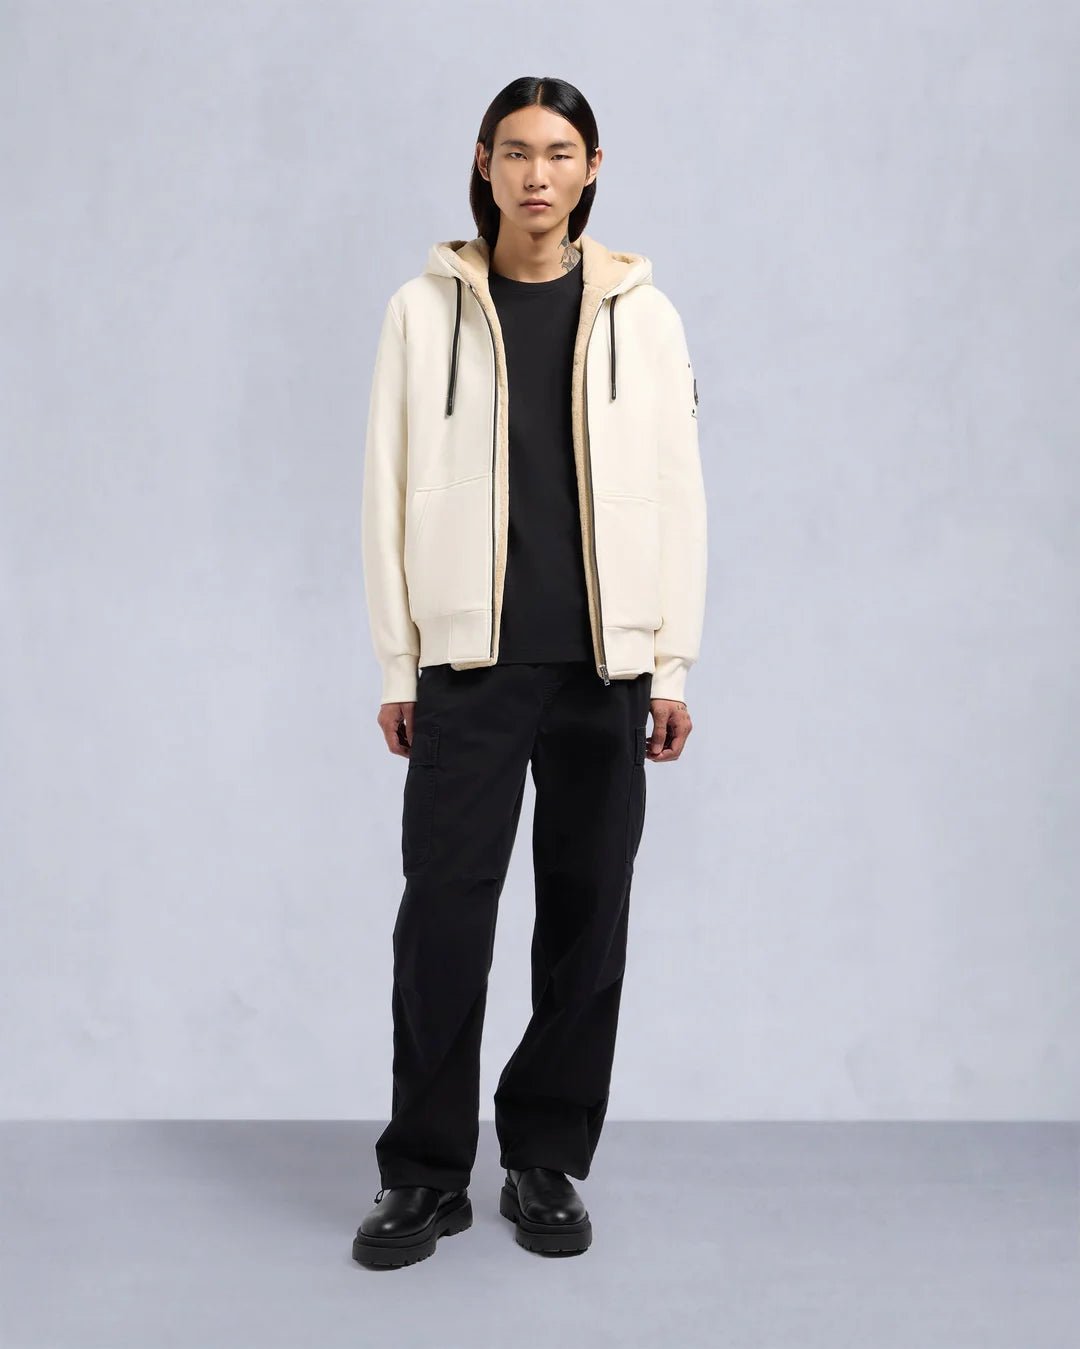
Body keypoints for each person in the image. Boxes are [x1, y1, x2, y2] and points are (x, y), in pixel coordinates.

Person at [352, 75, 707, 1270]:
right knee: (443, 920)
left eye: (559, 152)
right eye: (517, 151)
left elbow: (679, 493)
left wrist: (670, 661)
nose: (537, 173)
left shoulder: (644, 317)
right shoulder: (423, 311)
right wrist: (399, 660)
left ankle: (544, 1155)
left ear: (592, 166)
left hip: (606, 665)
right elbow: (385, 490)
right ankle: (423, 1171)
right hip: (469, 665)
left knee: (587, 918)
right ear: (485, 163)